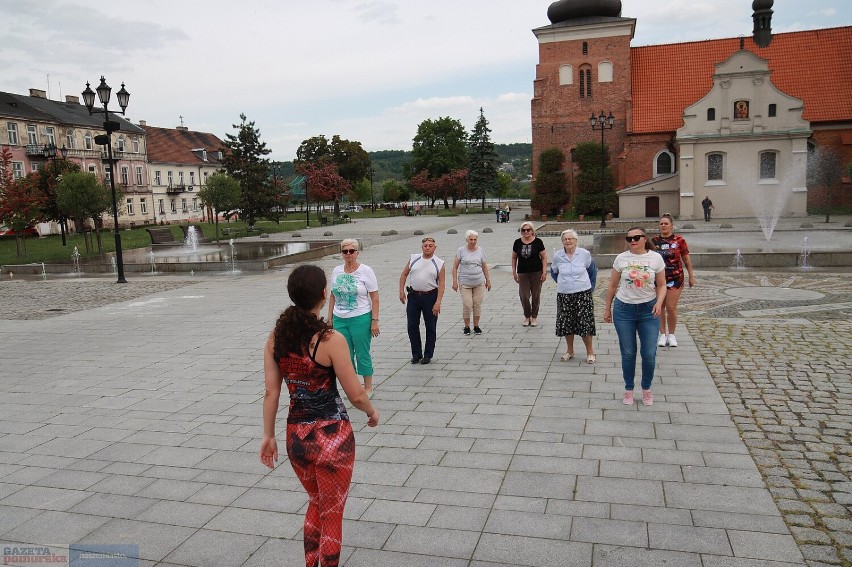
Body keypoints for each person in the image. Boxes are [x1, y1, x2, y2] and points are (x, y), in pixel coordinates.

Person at [260, 264, 379, 567]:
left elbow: (271, 392)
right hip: (332, 438)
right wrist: (371, 410)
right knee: (333, 510)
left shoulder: (276, 337)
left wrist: (268, 435)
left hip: (296, 437)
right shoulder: (329, 339)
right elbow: (356, 394)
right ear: (324, 294)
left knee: (316, 501)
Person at [603, 227, 667, 406]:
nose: (632, 241)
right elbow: (612, 285)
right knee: (628, 352)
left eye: (636, 237)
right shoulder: (621, 259)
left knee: (648, 353)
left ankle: (646, 388)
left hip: (649, 310)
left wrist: (659, 303)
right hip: (624, 310)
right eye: (629, 238)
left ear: (645, 239)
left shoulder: (655, 258)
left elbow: (662, 285)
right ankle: (629, 389)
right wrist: (607, 308)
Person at [327, 239, 379, 398]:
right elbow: (332, 296)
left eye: (351, 251)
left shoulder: (366, 271)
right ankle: (353, 386)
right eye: (345, 251)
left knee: (362, 353)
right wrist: (329, 319)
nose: (348, 254)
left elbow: (375, 297)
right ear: (341, 253)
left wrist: (374, 321)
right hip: (340, 319)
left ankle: (368, 387)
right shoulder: (337, 271)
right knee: (345, 355)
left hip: (361, 318)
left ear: (357, 253)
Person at [550, 229, 597, 363]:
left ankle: (590, 352)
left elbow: (592, 271)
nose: (568, 241)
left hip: (583, 293)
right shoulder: (558, 256)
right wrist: (562, 283)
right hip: (565, 294)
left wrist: (590, 288)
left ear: (576, 241)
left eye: (571, 239)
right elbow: (554, 272)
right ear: (562, 242)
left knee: (585, 323)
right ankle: (569, 350)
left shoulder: (584, 254)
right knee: (567, 323)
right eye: (565, 239)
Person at [399, 237, 446, 364]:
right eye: (425, 245)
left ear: (435, 248)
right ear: (422, 247)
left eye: (430, 246)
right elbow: (404, 274)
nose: (428, 247)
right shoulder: (414, 259)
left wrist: (438, 302)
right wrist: (401, 291)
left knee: (430, 326)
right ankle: (416, 353)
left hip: (430, 296)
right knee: (412, 326)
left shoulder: (439, 263)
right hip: (414, 296)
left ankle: (428, 354)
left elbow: (441, 284)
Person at [652, 214, 695, 348]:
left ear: (671, 225)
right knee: (660, 307)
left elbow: (686, 259)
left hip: (675, 277)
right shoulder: (654, 241)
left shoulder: (679, 240)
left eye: (666, 223)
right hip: (658, 279)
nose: (663, 226)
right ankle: (662, 334)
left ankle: (671, 334)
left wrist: (691, 276)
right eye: (661, 224)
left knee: (671, 307)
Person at [452, 230, 491, 335]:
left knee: (477, 304)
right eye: (471, 239)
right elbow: (455, 267)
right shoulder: (461, 251)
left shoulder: (480, 250)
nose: (473, 241)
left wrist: (488, 280)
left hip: (479, 282)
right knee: (468, 304)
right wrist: (454, 281)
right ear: (466, 240)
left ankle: (476, 326)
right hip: (465, 282)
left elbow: (484, 266)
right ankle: (466, 326)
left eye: (475, 240)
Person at [512, 221, 547, 327]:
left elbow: (544, 257)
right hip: (522, 272)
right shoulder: (517, 242)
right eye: (523, 230)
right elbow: (514, 257)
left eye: (528, 230)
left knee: (536, 295)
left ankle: (534, 316)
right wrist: (514, 271)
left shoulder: (538, 242)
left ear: (532, 231)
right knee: (524, 295)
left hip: (536, 272)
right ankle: (527, 316)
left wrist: (544, 272)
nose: (526, 232)